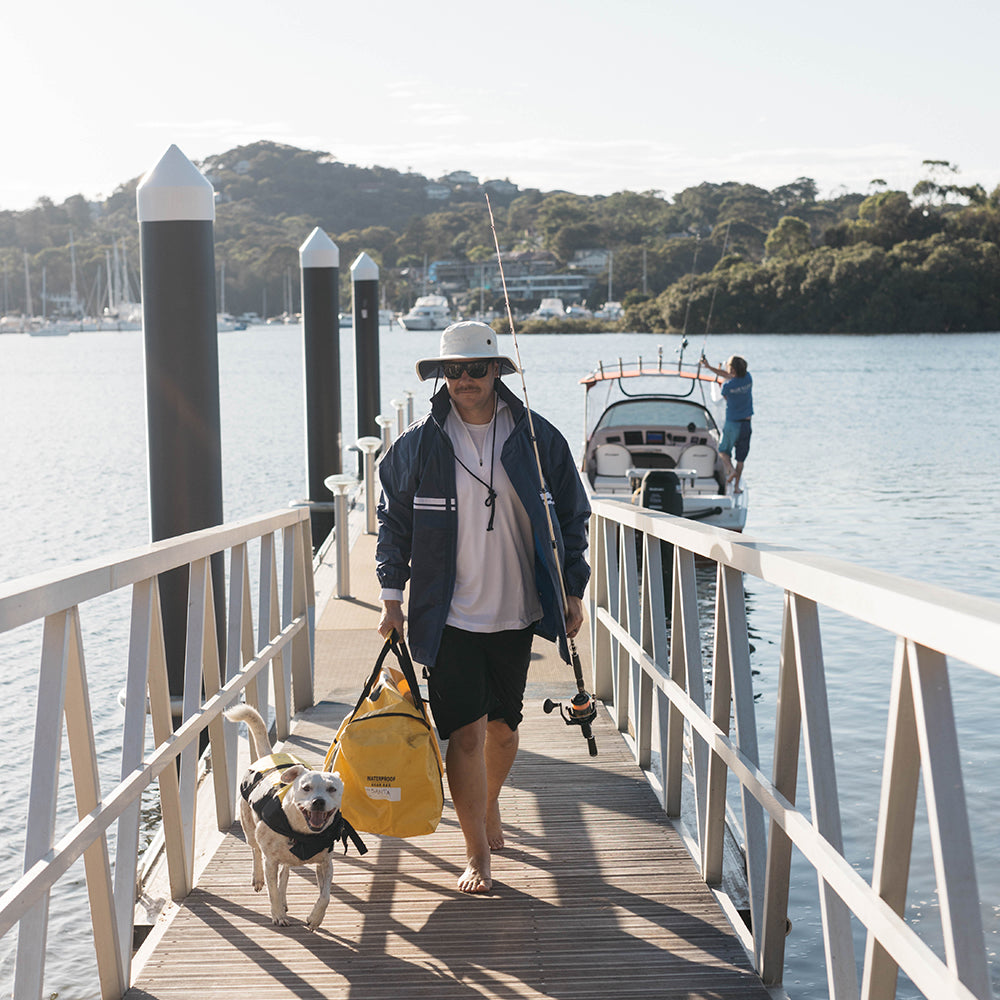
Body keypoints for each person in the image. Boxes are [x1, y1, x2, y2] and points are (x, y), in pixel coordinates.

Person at [376, 320, 591, 894]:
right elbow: (391, 523)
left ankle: (489, 803)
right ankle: (476, 854)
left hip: (518, 610)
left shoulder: (539, 439)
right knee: (464, 735)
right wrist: (391, 598)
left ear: (497, 370)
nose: (464, 380)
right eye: (453, 370)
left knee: (503, 731)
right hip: (447, 614)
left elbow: (573, 517)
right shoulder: (419, 444)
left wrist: (574, 589)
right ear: (440, 375)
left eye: (476, 368)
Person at [700, 353, 753, 493]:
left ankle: (731, 470)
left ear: (732, 370)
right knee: (741, 458)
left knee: (723, 451)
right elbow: (729, 375)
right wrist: (710, 367)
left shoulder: (727, 386)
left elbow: (725, 393)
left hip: (732, 424)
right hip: (746, 424)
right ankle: (736, 487)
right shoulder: (748, 378)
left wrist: (708, 367)